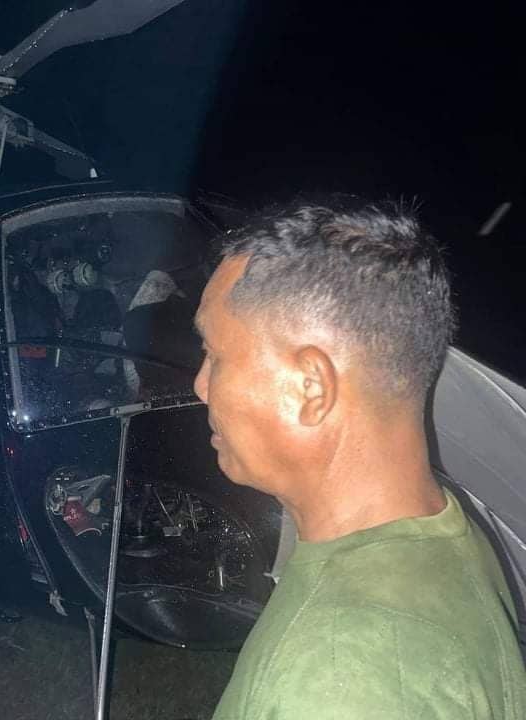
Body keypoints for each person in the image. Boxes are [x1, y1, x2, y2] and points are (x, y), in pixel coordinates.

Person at [195, 203, 526, 719]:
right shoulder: (437, 527)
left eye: (215, 355)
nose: (200, 386)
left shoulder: (341, 678)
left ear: (311, 387)